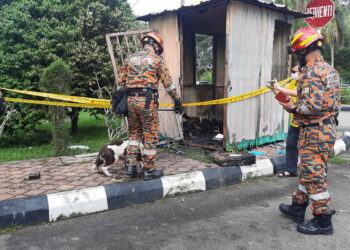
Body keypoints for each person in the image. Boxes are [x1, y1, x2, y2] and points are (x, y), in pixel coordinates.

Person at [278, 27, 341, 235]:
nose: (297, 57)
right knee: (308, 171)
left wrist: (290, 106)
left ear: (304, 51)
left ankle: (323, 221)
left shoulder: (312, 73)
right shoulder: (329, 71)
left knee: (313, 177)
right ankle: (298, 207)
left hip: (315, 131)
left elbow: (311, 106)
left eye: (297, 53)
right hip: (324, 129)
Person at [117, 32, 183, 180]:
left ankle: (131, 166)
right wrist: (177, 101)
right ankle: (148, 170)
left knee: (134, 134)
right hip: (147, 102)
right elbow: (168, 84)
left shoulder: (129, 59)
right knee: (150, 136)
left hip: (130, 102)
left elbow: (120, 82)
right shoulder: (157, 60)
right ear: (156, 46)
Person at [270, 65, 300, 177]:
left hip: (308, 122)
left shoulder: (308, 84)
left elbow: (298, 93)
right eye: (292, 71)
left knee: (309, 148)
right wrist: (275, 91)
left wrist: (280, 89)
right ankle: (291, 170)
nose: (293, 74)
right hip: (295, 120)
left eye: (295, 72)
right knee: (291, 145)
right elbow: (286, 99)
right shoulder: (292, 84)